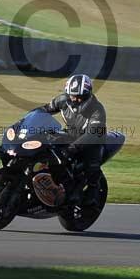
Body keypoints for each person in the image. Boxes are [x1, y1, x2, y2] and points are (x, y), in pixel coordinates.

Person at [39, 74, 107, 206]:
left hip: (92, 141)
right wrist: (27, 121)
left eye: (79, 96)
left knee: (91, 161)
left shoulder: (97, 109)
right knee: (47, 142)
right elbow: (44, 110)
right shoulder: (63, 100)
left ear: (87, 95)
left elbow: (92, 134)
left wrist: (73, 148)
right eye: (72, 95)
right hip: (70, 135)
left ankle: (92, 190)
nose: (75, 99)